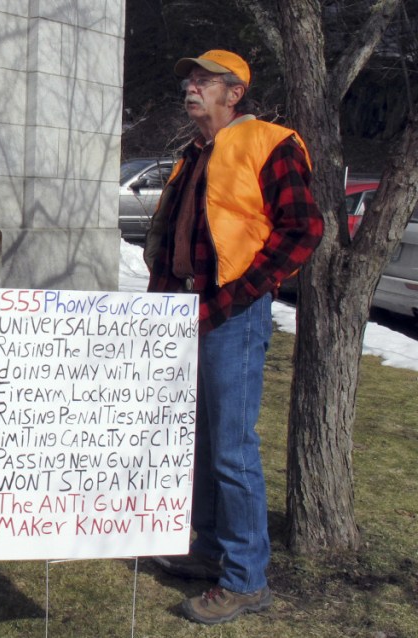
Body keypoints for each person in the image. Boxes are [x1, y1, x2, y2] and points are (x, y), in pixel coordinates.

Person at [143, 50, 324, 624]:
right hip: (184, 313)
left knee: (231, 449)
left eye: (204, 81)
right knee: (194, 443)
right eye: (189, 81)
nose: (191, 89)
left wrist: (239, 295)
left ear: (234, 93)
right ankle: (209, 549)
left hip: (232, 315)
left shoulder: (269, 143)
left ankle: (247, 580)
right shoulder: (192, 154)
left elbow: (304, 229)